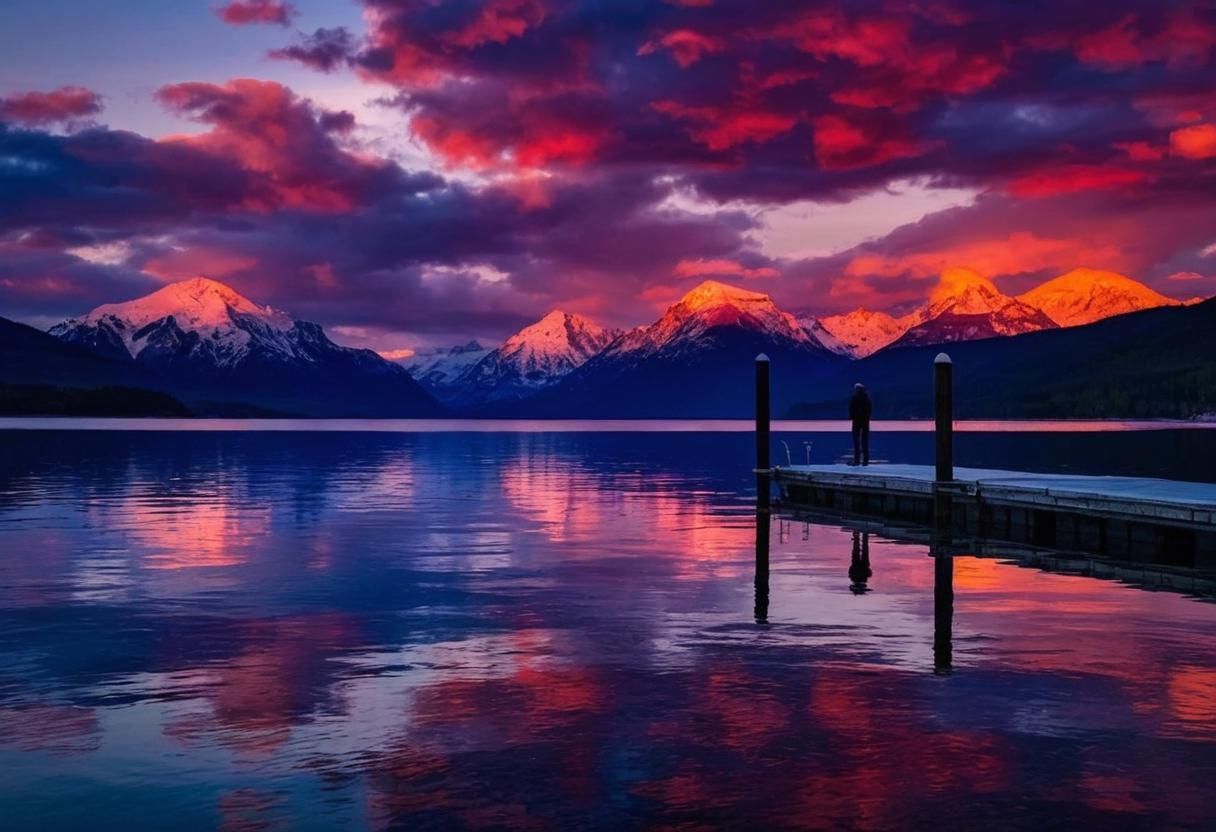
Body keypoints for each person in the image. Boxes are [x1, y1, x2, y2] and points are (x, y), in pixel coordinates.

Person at [848, 382, 872, 466]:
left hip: (856, 421)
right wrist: (867, 417)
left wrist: (852, 417)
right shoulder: (867, 398)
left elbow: (851, 409)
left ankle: (857, 461)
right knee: (865, 441)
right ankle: (865, 461)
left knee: (856, 441)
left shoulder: (854, 397)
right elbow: (869, 410)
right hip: (865, 421)